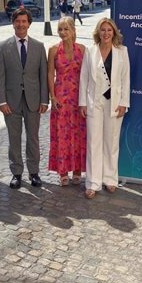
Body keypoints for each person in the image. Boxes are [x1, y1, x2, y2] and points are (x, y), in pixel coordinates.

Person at [0, 8, 48, 189]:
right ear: (13, 23)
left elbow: (43, 76)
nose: (21, 25)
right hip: (11, 101)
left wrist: (44, 100)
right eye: (18, 21)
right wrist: (1, 101)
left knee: (33, 138)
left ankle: (34, 173)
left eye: (24, 21)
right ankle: (16, 173)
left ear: (29, 24)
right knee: (14, 138)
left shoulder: (39, 47)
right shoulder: (3, 46)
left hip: (33, 100)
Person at [79, 18, 130, 199]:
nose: (106, 33)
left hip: (114, 103)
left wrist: (124, 102)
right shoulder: (90, 51)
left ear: (114, 32)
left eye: (109, 30)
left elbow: (125, 79)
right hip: (95, 102)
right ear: (98, 33)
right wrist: (82, 103)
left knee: (111, 141)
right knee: (94, 142)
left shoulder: (122, 52)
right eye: (103, 30)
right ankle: (93, 183)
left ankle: (110, 179)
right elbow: (84, 78)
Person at [48, 16, 86, 186]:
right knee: (62, 134)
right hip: (61, 98)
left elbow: (87, 75)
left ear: (73, 30)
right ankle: (63, 171)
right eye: (60, 30)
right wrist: (52, 97)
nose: (62, 33)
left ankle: (77, 169)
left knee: (79, 134)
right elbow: (50, 74)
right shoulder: (54, 50)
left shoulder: (83, 49)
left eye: (66, 29)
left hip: (79, 97)